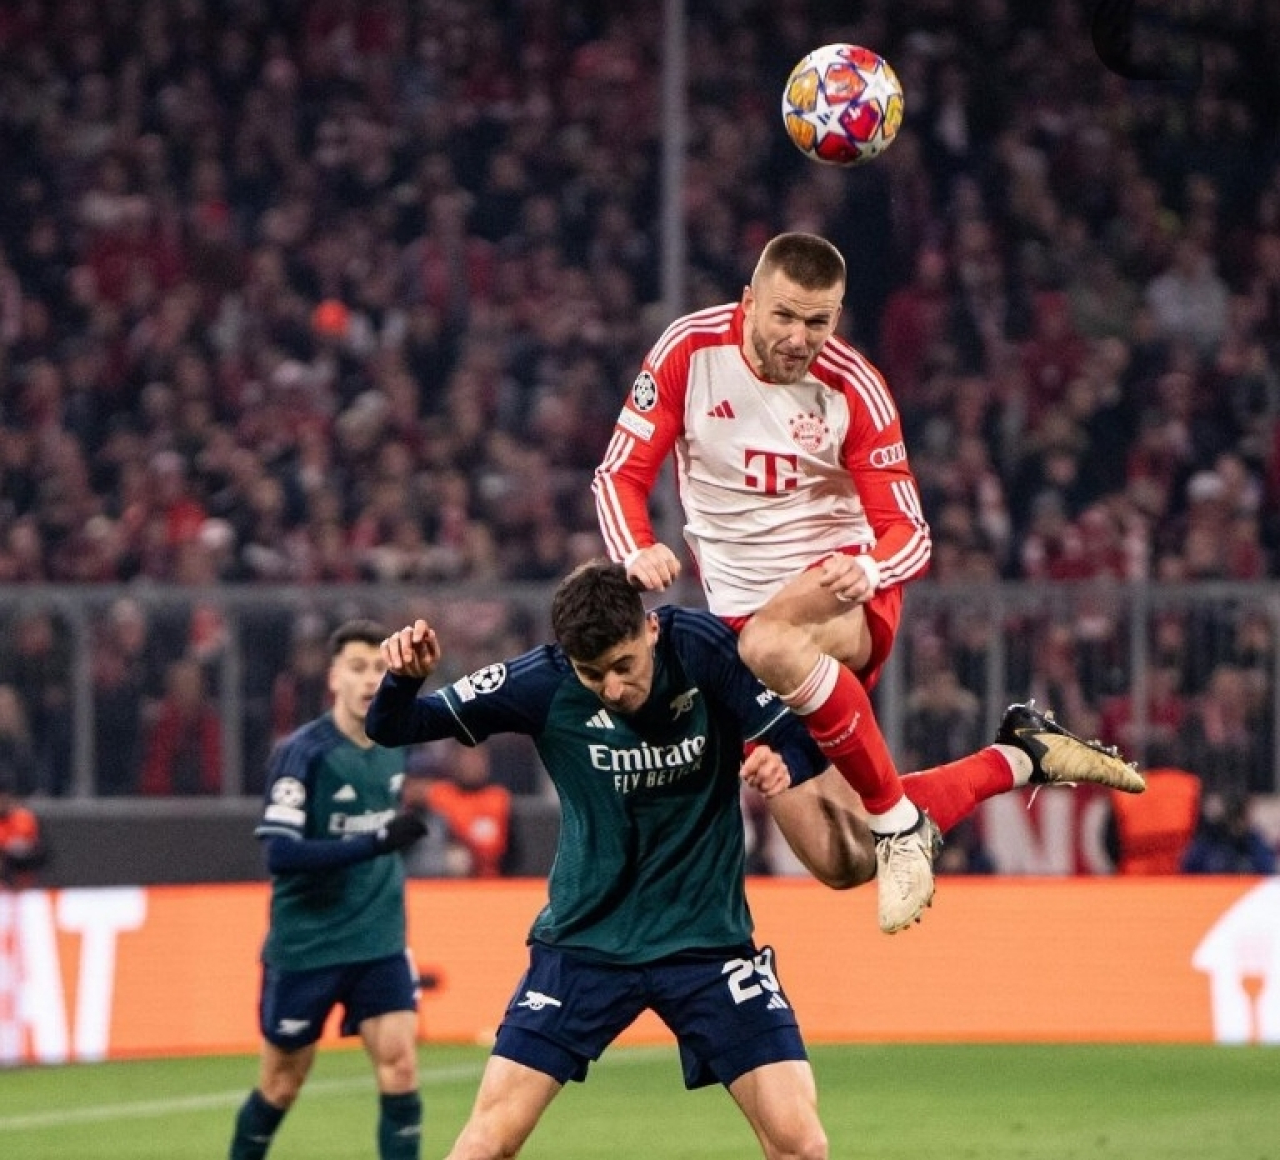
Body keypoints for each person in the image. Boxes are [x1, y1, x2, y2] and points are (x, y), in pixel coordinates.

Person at [366, 561, 1142, 1160]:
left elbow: (802, 724)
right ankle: (1017, 758)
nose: (613, 688)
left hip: (707, 946)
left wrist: (779, 761)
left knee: (801, 1142)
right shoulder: (541, 681)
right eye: (593, 673)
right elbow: (396, 726)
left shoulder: (704, 650)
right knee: (487, 1143)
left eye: (624, 665)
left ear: (650, 630)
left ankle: (1014, 758)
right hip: (584, 945)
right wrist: (403, 676)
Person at [592, 231, 1143, 931]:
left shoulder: (855, 386)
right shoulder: (688, 351)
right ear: (749, 301)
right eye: (784, 316)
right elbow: (619, 474)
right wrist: (636, 549)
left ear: (838, 316)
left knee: (770, 641)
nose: (799, 338)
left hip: (839, 597)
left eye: (817, 321)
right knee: (843, 859)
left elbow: (910, 532)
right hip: (740, 627)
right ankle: (1020, 757)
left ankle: (899, 824)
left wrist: (868, 568)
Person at [228, 619, 430, 1160]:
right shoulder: (303, 753)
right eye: (358, 667)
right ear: (334, 677)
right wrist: (378, 841)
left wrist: (391, 839)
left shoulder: (396, 741)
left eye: (380, 668)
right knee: (281, 1083)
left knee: (401, 1066)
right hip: (309, 944)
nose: (370, 679)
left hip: (379, 937)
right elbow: (281, 854)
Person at [0, 770, 47, 889]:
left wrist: (23, 848)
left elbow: (42, 853)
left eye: (5, 797)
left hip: (24, 878)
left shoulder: (24, 819)